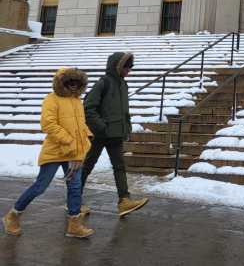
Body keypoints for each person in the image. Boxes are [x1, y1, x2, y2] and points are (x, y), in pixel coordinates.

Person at [3, 67, 95, 239]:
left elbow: (80, 126)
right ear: (62, 83)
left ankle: (74, 225)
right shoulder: (51, 100)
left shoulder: (77, 101)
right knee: (40, 186)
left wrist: (86, 137)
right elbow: (48, 124)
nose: (73, 86)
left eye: (77, 83)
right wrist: (70, 141)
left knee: (75, 188)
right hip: (55, 152)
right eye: (70, 82)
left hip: (74, 152)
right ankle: (12, 216)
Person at [81, 52, 148, 217]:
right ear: (117, 66)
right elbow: (88, 107)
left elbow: (123, 111)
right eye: (126, 66)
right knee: (87, 166)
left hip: (116, 134)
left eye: (131, 67)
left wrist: (126, 127)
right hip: (100, 134)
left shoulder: (123, 85)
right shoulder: (103, 83)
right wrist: (101, 128)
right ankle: (73, 200)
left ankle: (124, 201)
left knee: (119, 166)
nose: (129, 70)